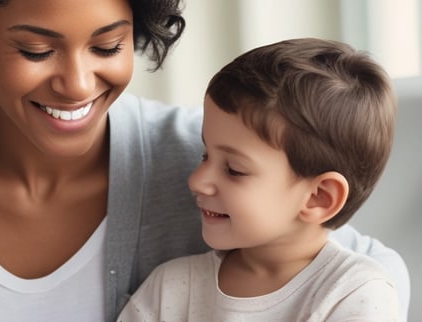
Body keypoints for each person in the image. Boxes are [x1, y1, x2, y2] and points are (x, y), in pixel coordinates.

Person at [0, 0, 410, 321]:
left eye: (108, 46)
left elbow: (364, 265)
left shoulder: (194, 157)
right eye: (36, 50)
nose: (77, 83)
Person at [117, 38, 399, 321]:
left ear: (318, 197)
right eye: (205, 155)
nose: (197, 180)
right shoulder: (172, 287)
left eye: (234, 169)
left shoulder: (355, 294)